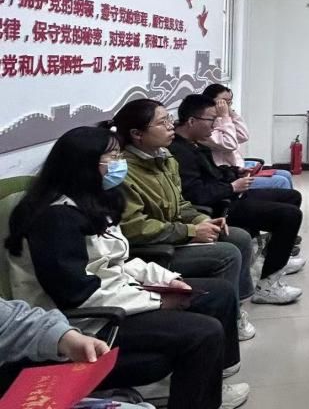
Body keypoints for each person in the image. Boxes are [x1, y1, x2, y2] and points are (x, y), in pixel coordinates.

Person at [5, 127, 249, 409]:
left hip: (111, 296)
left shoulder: (91, 202)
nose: (120, 163)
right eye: (112, 157)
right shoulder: (56, 219)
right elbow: (76, 295)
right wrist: (157, 300)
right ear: (84, 165)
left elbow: (118, 260)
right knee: (204, 332)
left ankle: (211, 383)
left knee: (217, 292)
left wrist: (168, 280)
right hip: (85, 323)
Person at [110, 99, 257, 342]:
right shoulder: (125, 172)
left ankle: (234, 309)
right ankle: (219, 323)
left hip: (172, 233)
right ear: (137, 134)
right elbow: (135, 228)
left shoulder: (165, 158)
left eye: (169, 119)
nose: (171, 126)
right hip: (151, 248)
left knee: (237, 236)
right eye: (162, 122)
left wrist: (202, 219)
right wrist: (190, 231)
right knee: (227, 253)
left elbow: (181, 204)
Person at [170, 94, 304, 305]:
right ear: (192, 121)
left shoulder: (195, 144)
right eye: (211, 120)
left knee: (291, 197)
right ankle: (267, 286)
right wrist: (231, 187)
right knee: (289, 215)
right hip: (218, 208)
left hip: (227, 194)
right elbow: (195, 194)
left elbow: (212, 173)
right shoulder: (179, 151)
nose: (215, 125)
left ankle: (274, 258)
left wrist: (234, 172)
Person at [201, 84, 294, 191]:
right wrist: (225, 117)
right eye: (223, 102)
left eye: (229, 102)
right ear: (209, 101)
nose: (226, 106)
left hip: (238, 169)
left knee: (286, 174)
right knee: (282, 181)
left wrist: (230, 113)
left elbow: (243, 136)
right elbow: (229, 144)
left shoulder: (221, 119)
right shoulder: (205, 126)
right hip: (228, 176)